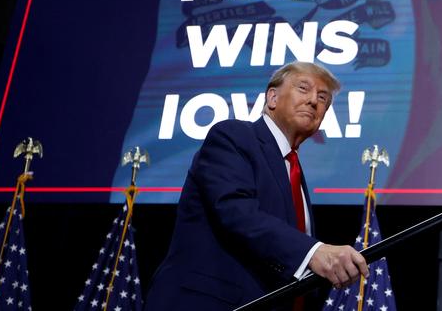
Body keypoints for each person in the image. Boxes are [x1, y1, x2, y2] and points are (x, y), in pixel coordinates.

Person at [143, 61, 369, 310]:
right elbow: (235, 211)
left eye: (323, 97)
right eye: (303, 88)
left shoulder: (293, 169)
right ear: (272, 97)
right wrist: (314, 252)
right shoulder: (233, 136)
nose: (314, 100)